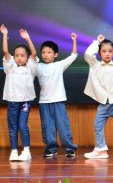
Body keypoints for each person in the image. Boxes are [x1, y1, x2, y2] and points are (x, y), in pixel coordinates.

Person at [36, 34, 78, 158]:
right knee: (48, 127)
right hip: (44, 102)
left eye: (49, 52)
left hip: (58, 101)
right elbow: (31, 59)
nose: (45, 55)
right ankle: (51, 149)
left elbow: (73, 56)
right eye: (43, 52)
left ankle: (70, 148)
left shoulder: (59, 65)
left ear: (55, 54)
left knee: (63, 126)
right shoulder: (38, 66)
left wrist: (74, 40)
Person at [1, 24, 38, 161]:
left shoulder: (30, 67)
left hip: (25, 102)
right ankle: (14, 151)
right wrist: (5, 35)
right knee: (13, 126)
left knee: (22, 125)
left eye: (22, 55)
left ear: (27, 57)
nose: (19, 57)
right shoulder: (10, 66)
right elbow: (5, 51)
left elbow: (34, 54)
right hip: (12, 101)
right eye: (17, 55)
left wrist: (28, 39)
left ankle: (26, 151)